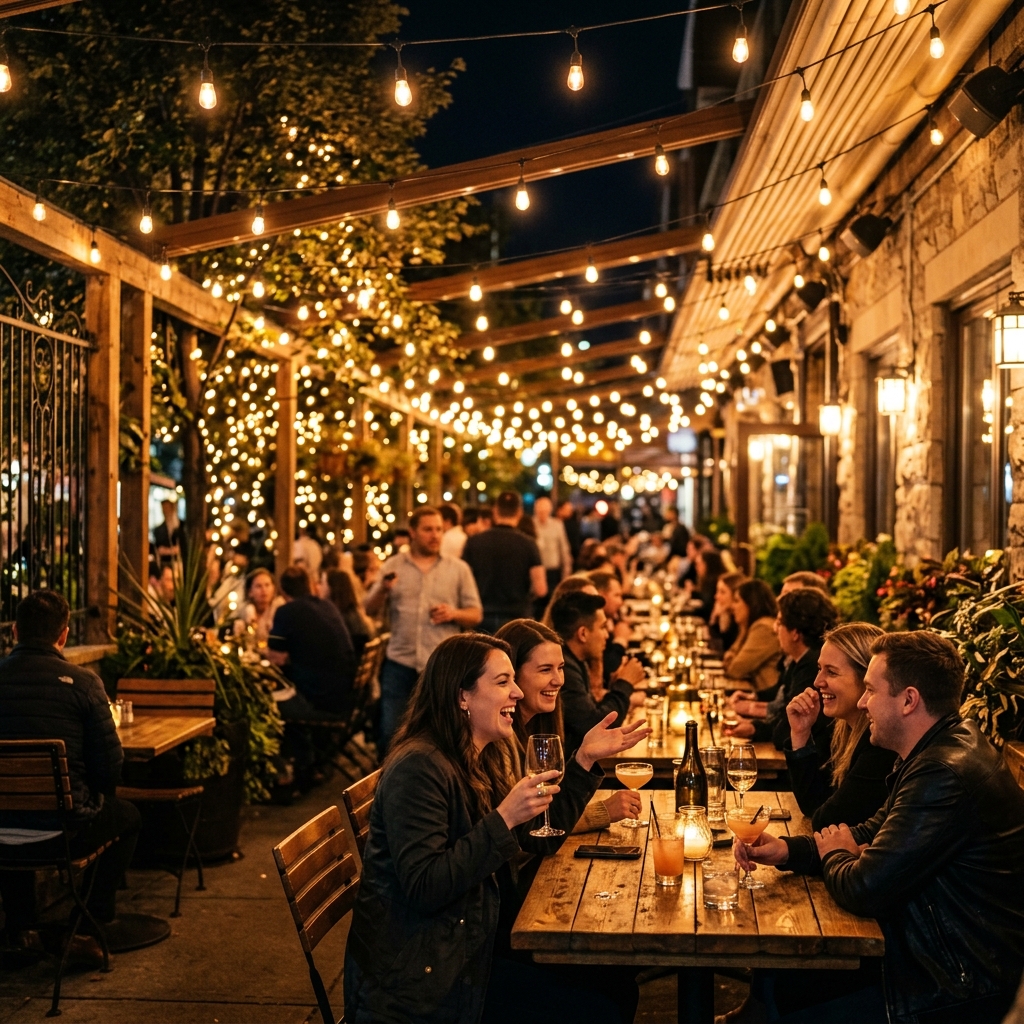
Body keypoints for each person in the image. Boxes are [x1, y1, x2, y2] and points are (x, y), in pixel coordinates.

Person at [735, 631, 1024, 1024]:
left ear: (908, 700)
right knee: (779, 979)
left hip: (953, 983)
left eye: (871, 690)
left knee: (790, 999)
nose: (863, 701)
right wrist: (787, 850)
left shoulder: (942, 772)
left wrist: (835, 851)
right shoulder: (936, 749)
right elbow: (872, 830)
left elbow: (863, 887)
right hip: (927, 952)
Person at [343, 634, 572, 1023]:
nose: (518, 692)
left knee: (606, 984)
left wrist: (579, 765)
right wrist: (503, 819)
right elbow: (425, 886)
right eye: (503, 682)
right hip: (421, 979)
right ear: (462, 696)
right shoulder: (419, 768)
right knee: (599, 1005)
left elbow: (527, 841)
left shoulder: (474, 755)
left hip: (461, 949)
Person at [489, 619, 646, 1023]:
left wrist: (584, 759)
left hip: (510, 906)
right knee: (610, 993)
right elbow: (538, 835)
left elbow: (545, 830)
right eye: (545, 670)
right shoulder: (495, 745)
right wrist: (585, 764)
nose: (558, 680)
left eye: (560, 669)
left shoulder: (532, 732)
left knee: (620, 977)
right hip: (492, 940)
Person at [0, 591, 141, 964]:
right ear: (63, 636)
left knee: (11, 812)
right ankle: (85, 928)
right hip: (60, 835)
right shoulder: (84, 683)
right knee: (127, 816)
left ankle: (20, 929)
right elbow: (110, 769)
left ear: (15, 631)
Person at [365, 506, 483, 753]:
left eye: (439, 529)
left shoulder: (458, 569)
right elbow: (369, 608)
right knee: (391, 732)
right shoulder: (393, 566)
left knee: (443, 734)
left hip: (440, 667)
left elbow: (475, 614)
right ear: (413, 532)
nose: (435, 535)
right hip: (400, 663)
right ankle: (391, 786)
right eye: (428, 529)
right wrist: (382, 589)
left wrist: (453, 613)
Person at [783, 622, 895, 831]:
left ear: (867, 679)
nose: (817, 682)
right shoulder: (845, 730)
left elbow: (828, 820)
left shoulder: (879, 746)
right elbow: (813, 803)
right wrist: (800, 734)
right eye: (819, 669)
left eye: (831, 672)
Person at [725, 587, 837, 748]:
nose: (774, 629)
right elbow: (781, 706)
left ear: (795, 633)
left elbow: (784, 733)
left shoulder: (811, 666)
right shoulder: (800, 661)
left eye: (780, 623)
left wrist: (754, 728)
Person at [549, 591, 646, 756]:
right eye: (602, 627)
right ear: (583, 634)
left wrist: (617, 685)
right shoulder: (564, 669)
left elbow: (592, 711)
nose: (607, 635)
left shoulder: (575, 662)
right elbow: (596, 726)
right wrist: (625, 684)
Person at [267, 566, 357, 716]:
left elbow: (276, 659)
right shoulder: (327, 606)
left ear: (282, 590)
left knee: (267, 702)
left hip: (318, 699)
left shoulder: (286, 611)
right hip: (344, 696)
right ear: (309, 584)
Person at [462, 491, 546, 634]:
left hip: (482, 615)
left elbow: (463, 580)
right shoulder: (529, 544)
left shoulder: (474, 542)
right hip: (516, 617)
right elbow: (540, 589)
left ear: (495, 511)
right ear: (519, 513)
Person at [723, 578, 780, 694]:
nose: (732, 606)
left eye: (737, 601)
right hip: (759, 694)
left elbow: (736, 669)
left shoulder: (764, 628)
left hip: (768, 698)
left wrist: (732, 661)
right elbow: (729, 656)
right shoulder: (752, 625)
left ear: (751, 603)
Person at [532, 495, 572, 617]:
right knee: (537, 605)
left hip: (553, 571)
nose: (542, 514)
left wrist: (566, 571)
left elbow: (563, 548)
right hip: (537, 570)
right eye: (540, 511)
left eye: (544, 511)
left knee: (552, 605)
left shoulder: (557, 525)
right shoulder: (531, 525)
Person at [326, 568, 376, 662]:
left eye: (322, 583)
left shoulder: (341, 618)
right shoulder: (352, 612)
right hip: (354, 669)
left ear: (332, 588)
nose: (317, 586)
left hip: (344, 671)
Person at [232, 567, 285, 647]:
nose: (264, 590)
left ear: (273, 588)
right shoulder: (245, 611)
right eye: (258, 586)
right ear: (250, 592)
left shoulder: (280, 608)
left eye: (267, 585)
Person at [709, 570, 745, 652]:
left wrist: (715, 619)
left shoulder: (740, 620)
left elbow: (721, 648)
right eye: (717, 591)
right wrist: (714, 619)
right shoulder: (727, 616)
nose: (716, 596)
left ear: (736, 594)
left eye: (722, 592)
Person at [153, 498, 184, 562]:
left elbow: (182, 548)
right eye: (163, 509)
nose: (165, 511)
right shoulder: (158, 530)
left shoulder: (182, 526)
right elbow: (160, 550)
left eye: (167, 508)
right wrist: (173, 550)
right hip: (165, 564)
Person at [556, 499, 582, 563]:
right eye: (567, 509)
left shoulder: (572, 525)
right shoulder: (553, 524)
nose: (570, 512)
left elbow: (575, 545)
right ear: (559, 510)